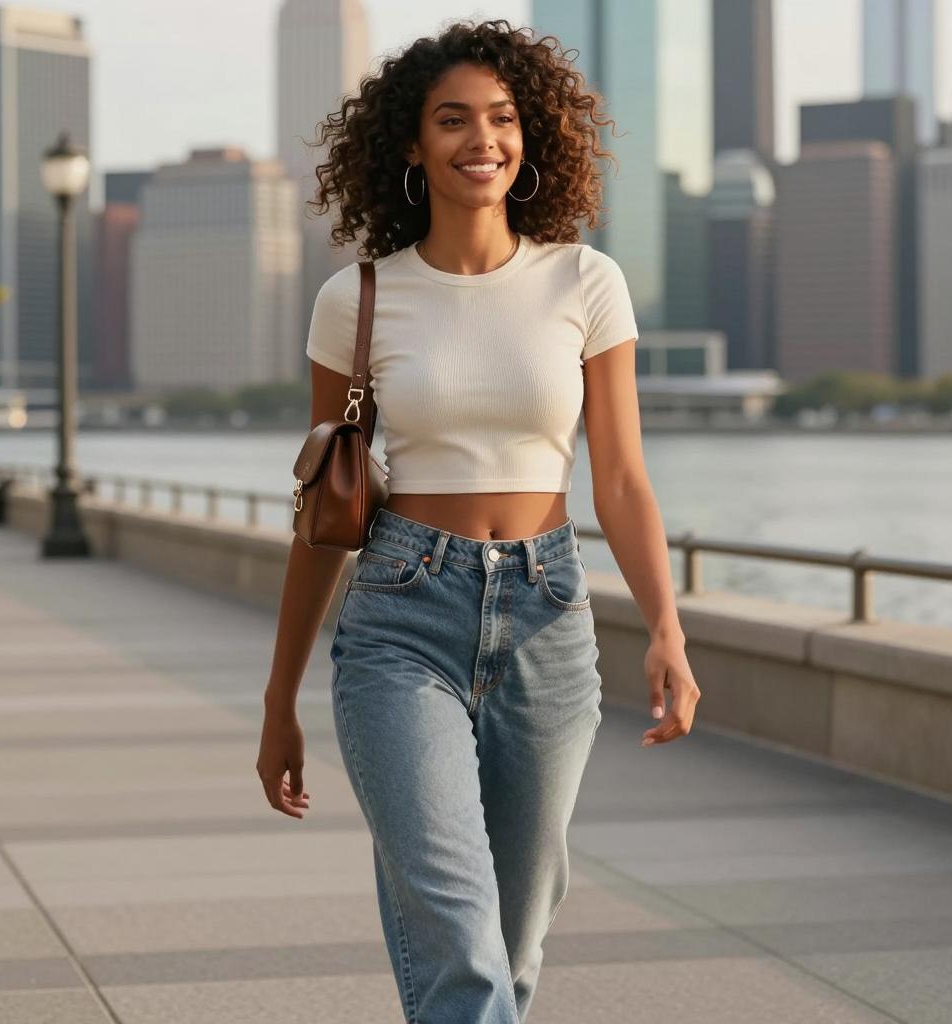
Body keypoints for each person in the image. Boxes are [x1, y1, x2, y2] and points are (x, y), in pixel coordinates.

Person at [257, 19, 701, 1023]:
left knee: (515, 940)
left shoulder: (584, 282)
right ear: (410, 146)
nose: (481, 139)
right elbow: (322, 510)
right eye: (451, 119)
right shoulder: (356, 297)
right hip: (400, 621)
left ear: (530, 135)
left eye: (501, 118)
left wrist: (667, 629)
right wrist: (280, 694)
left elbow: (621, 478)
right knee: (461, 945)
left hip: (548, 612)